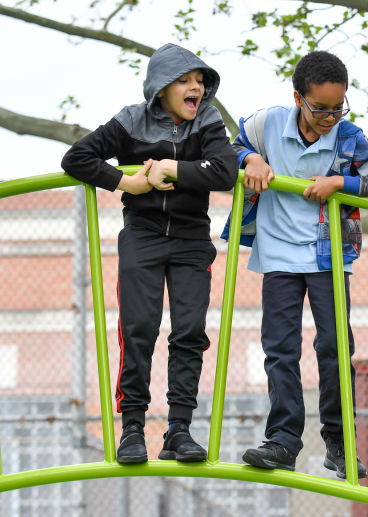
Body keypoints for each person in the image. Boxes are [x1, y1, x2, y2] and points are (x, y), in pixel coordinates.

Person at [224, 50, 368, 479]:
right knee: (280, 349)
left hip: (327, 256)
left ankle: (340, 444)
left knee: (334, 348)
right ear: (297, 98)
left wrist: (339, 182)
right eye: (319, 108)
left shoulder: (346, 136)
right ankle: (283, 440)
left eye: (337, 107)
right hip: (279, 255)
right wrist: (251, 160)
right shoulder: (267, 123)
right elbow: (229, 148)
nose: (329, 117)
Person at [61, 43, 239, 464]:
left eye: (200, 81)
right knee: (138, 327)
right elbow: (77, 157)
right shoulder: (131, 120)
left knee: (189, 331)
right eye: (186, 81)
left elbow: (226, 171)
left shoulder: (208, 120)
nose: (196, 87)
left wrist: (171, 168)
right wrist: (129, 184)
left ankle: (179, 429)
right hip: (142, 235)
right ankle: (133, 430)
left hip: (192, 239)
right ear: (161, 88)